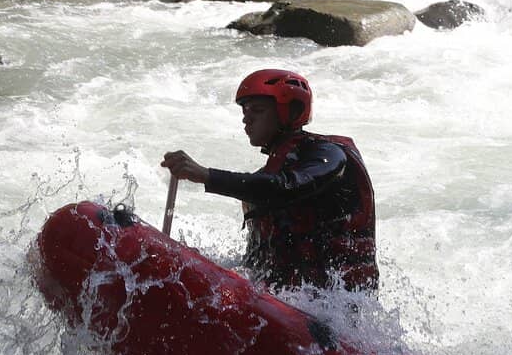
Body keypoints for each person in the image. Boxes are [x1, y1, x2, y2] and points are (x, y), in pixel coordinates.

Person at [161, 69, 379, 293]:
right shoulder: (266, 177)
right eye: (245, 111)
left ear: (289, 112)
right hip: (290, 301)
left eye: (257, 110)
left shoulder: (330, 155)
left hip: (338, 310)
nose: (246, 118)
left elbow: (287, 188)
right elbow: (257, 262)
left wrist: (207, 175)